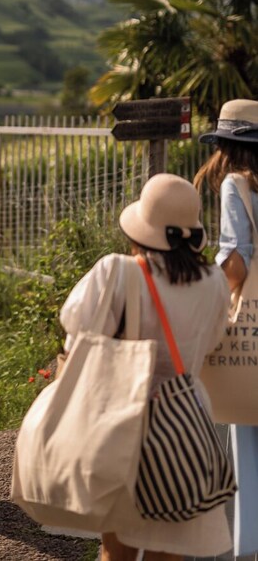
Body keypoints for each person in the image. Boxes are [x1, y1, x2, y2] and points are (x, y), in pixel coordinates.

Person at [60, 173, 231, 561]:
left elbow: (78, 334)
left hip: (124, 425)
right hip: (187, 426)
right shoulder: (215, 281)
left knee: (116, 551)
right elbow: (214, 342)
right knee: (170, 551)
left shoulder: (118, 273)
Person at [196, 98, 258, 558]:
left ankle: (249, 544)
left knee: (246, 435)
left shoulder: (236, 184)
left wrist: (209, 284)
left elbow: (235, 259)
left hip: (252, 324)